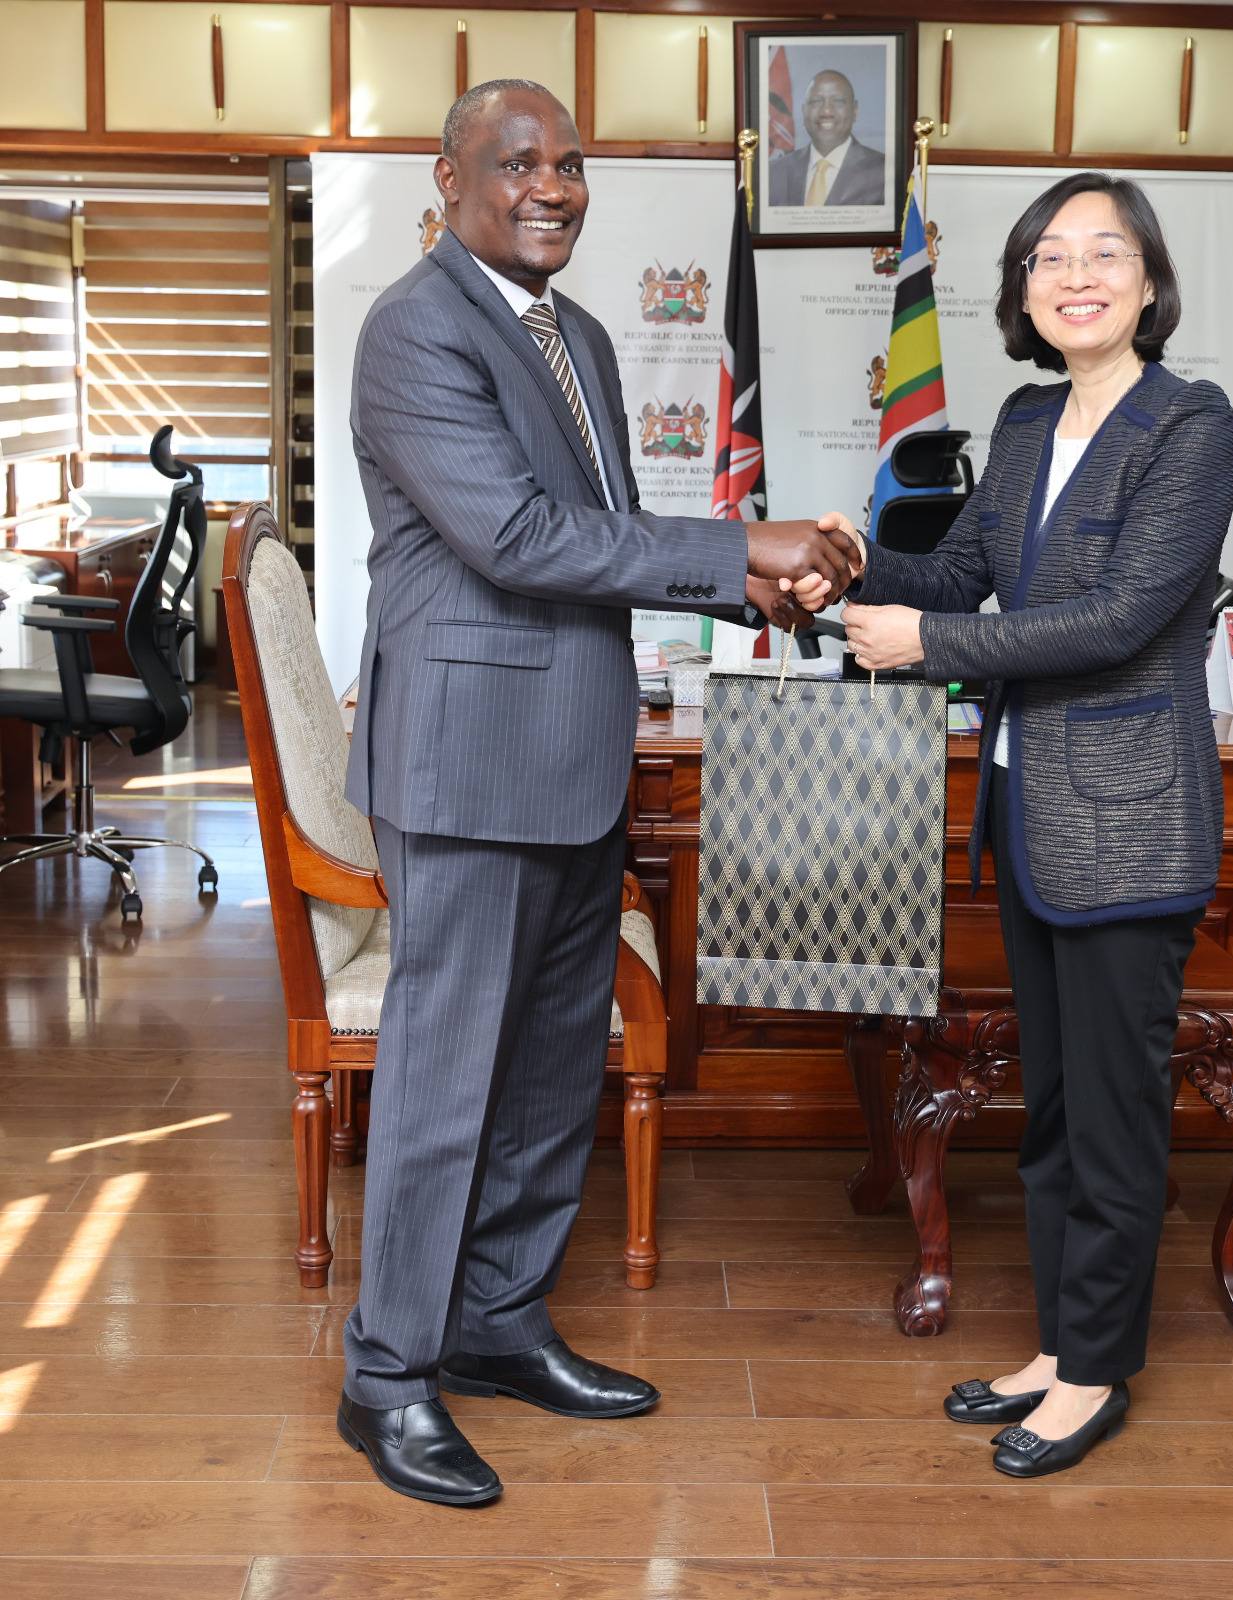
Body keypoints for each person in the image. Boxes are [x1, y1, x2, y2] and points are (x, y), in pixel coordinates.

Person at [338, 77, 854, 1507]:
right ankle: (386, 1378)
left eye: (567, 163)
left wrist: (769, 594)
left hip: (568, 757)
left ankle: (496, 1321)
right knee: (446, 1083)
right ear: (446, 181)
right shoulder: (415, 328)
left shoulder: (579, 335)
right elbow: (513, 536)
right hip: (465, 762)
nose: (549, 185)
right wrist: (739, 543)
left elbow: (608, 538)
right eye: (514, 164)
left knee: (554, 1066)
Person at [813, 172, 1233, 1479]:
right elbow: (966, 574)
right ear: (1020, 293)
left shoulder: (1188, 424)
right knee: (1053, 1111)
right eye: (1046, 257)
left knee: (1113, 1115)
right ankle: (1062, 1344)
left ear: (1148, 281)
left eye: (1101, 253)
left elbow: (1114, 620)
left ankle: (1099, 1371)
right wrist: (855, 562)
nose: (1074, 275)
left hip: (1128, 822)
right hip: (1031, 816)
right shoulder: (1022, 415)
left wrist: (923, 640)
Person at [768, 68, 887, 208]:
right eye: (816, 101)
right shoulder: (774, 173)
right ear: (803, 110)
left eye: (838, 101)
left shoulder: (884, 172)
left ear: (855, 110)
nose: (826, 111)